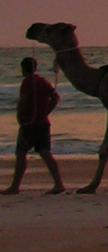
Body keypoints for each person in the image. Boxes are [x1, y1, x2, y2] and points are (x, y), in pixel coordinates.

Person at [3, 58, 64, 195]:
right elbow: (55, 97)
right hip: (43, 123)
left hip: (30, 124)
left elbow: (23, 100)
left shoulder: (27, 82)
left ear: (23, 68)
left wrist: (20, 116)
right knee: (45, 152)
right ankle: (59, 183)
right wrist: (47, 111)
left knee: (21, 152)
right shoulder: (42, 81)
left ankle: (15, 186)